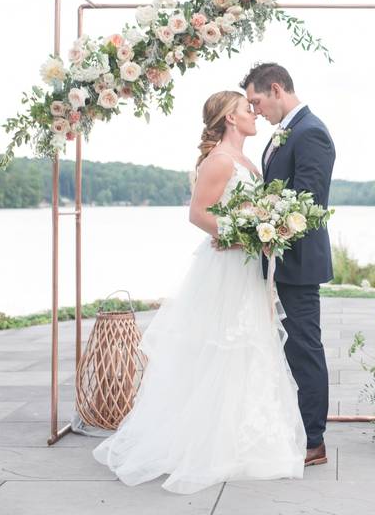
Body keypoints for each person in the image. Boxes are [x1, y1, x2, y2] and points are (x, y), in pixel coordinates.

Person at [92, 90, 306, 494]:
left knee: (251, 345)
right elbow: (198, 213)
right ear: (230, 118)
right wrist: (240, 235)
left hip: (249, 271)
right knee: (222, 346)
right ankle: (208, 443)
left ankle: (248, 438)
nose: (254, 113)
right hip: (225, 270)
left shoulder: (247, 161)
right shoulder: (221, 160)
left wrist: (263, 232)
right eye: (247, 109)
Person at [242, 62, 336, 467]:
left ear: (276, 89)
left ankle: (313, 439)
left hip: (298, 262)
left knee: (304, 347)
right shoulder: (287, 132)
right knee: (286, 347)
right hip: (278, 259)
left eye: (257, 101)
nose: (256, 110)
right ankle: (292, 426)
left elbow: (308, 202)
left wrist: (263, 226)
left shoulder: (310, 132)